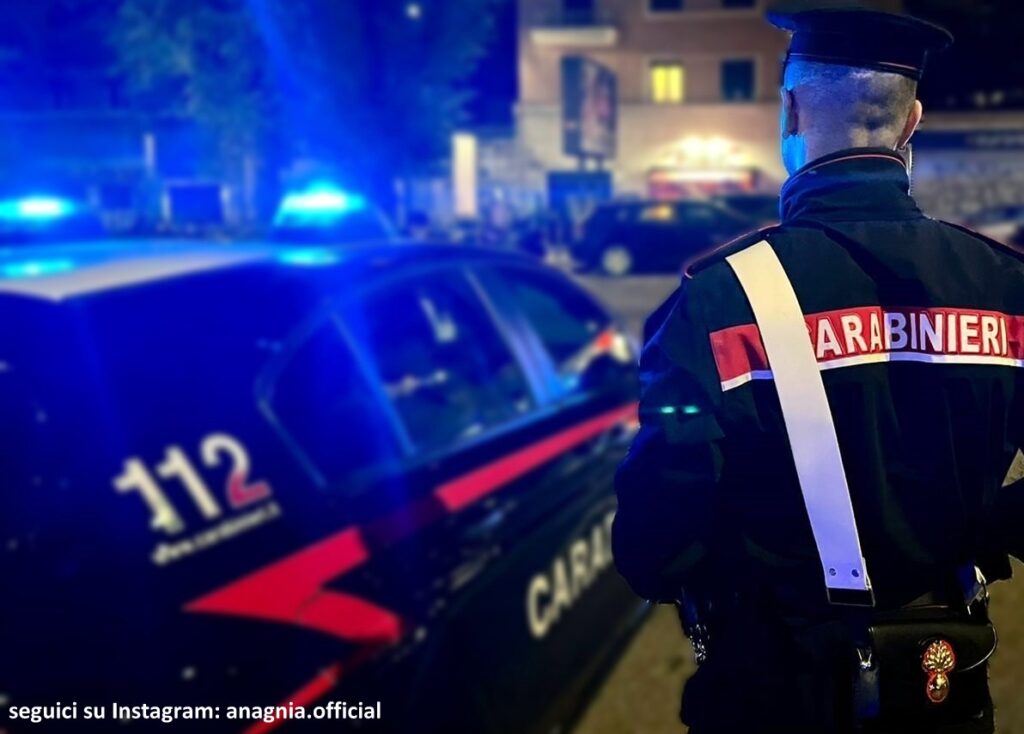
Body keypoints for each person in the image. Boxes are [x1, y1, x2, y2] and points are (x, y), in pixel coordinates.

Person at [613, 2, 1024, 733]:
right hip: (941, 678)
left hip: (772, 684)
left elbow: (657, 540)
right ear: (911, 123)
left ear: (792, 112)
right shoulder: (1004, 285)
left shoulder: (718, 302)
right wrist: (977, 522)